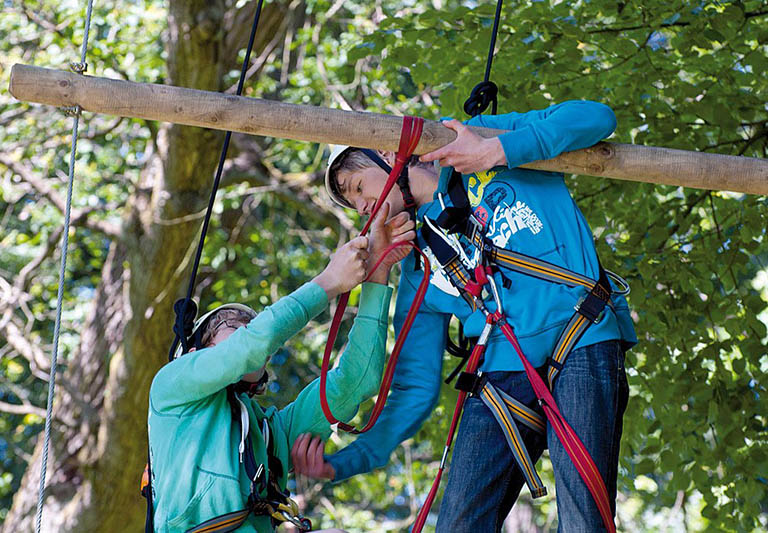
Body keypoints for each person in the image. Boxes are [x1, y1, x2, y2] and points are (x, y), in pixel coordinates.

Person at [294, 100, 638, 532]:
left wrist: (495, 152)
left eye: (358, 186)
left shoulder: (477, 139)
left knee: (584, 520)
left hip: (581, 337)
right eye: (352, 202)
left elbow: (598, 118)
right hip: (501, 377)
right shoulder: (418, 264)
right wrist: (343, 463)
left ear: (386, 153)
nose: (362, 206)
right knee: (458, 525)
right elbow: (414, 391)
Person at [147, 203, 416, 533]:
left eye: (254, 321)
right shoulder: (171, 388)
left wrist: (376, 276)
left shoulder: (269, 434)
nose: (250, 327)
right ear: (195, 350)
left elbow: (356, 380)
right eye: (233, 323)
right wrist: (330, 281)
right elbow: (251, 346)